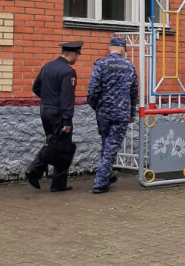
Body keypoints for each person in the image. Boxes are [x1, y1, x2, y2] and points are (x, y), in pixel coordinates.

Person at [26, 39, 83, 192]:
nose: (77, 59)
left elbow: (36, 87)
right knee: (63, 147)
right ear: (72, 54)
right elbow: (67, 98)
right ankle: (36, 169)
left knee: (55, 143)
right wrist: (67, 120)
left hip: (45, 111)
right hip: (59, 114)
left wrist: (48, 99)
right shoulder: (68, 72)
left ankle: (57, 183)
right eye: (77, 55)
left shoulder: (47, 67)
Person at [87, 36, 138, 194]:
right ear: (123, 49)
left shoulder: (101, 64)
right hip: (121, 113)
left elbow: (92, 90)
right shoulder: (129, 67)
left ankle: (107, 175)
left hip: (103, 112)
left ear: (110, 48)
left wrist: (96, 106)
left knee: (106, 143)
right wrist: (132, 113)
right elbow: (133, 93)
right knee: (112, 146)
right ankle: (100, 182)